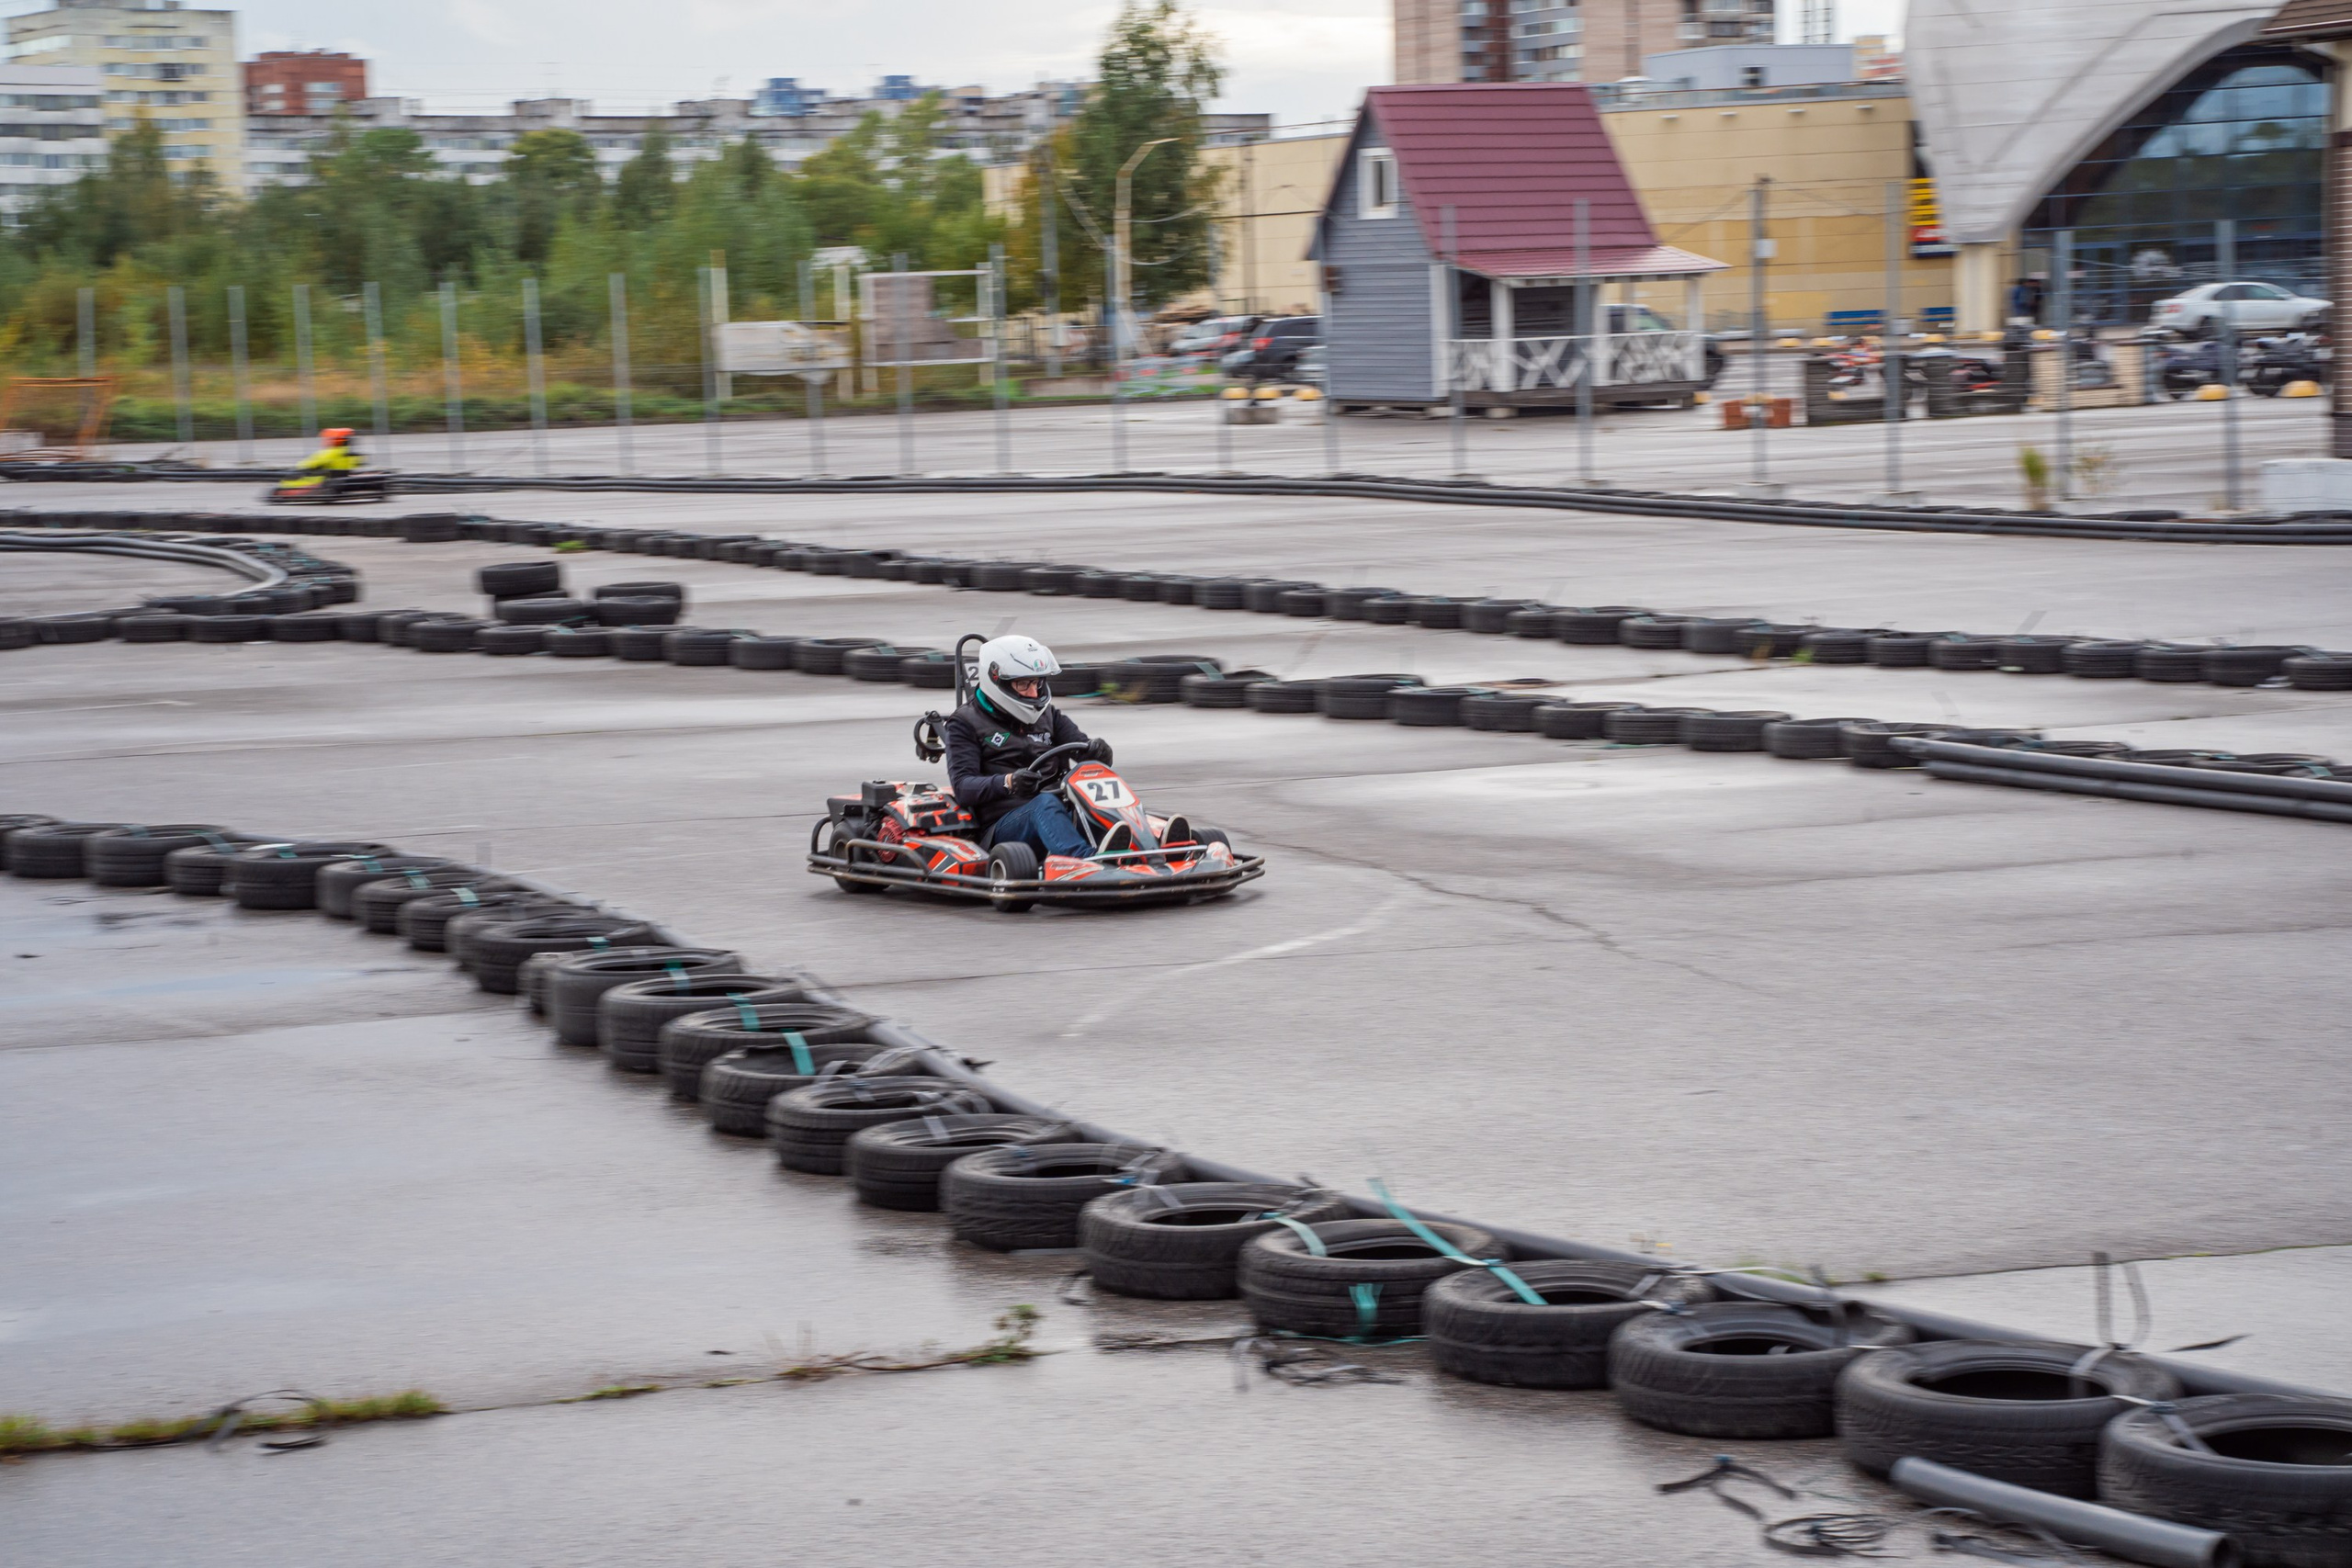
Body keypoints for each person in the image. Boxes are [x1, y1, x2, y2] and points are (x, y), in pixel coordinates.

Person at [943, 634, 1168, 861]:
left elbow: (1082, 748)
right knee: (1045, 804)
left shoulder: (1048, 715)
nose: (1033, 693)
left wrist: (1097, 751)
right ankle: (1084, 860)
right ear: (997, 681)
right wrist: (1008, 782)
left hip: (1057, 808)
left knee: (1095, 785)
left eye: (1036, 683)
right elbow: (963, 787)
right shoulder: (964, 723)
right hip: (1005, 823)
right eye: (1023, 684)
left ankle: (1152, 847)